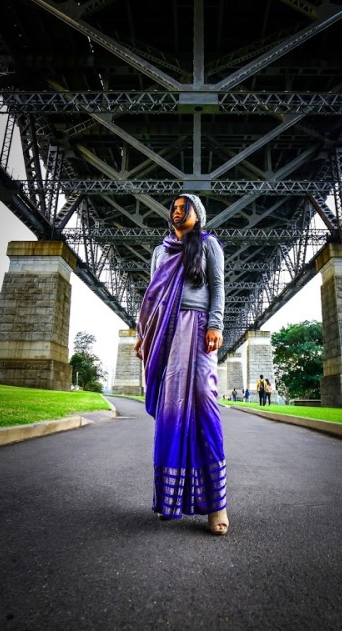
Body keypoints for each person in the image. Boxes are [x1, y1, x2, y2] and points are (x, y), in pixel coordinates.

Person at [134, 193, 229, 536]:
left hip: (199, 325)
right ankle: (169, 499)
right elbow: (152, 295)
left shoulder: (208, 245)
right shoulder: (160, 251)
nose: (175, 212)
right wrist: (142, 333)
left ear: (196, 214)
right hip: (164, 331)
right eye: (172, 208)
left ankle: (216, 506)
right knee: (170, 409)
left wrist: (216, 323)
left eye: (181, 207)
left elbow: (218, 287)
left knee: (205, 402)